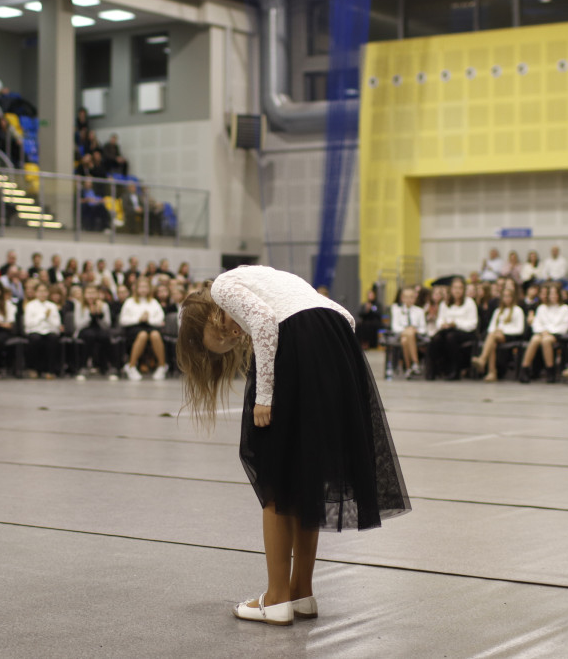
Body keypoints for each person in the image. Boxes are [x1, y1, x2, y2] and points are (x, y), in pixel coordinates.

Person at [176, 265, 410, 626]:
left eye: (223, 335)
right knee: (306, 478)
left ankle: (276, 599)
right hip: (336, 345)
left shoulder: (222, 286)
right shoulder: (273, 281)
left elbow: (267, 324)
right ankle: (301, 593)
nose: (234, 337)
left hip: (297, 349)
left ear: (207, 315)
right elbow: (344, 316)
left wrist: (265, 395)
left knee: (276, 477)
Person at [426, 277, 478, 380]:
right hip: (447, 330)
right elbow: (440, 320)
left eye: (460, 288)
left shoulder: (469, 303)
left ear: (463, 290)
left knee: (451, 337)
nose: (457, 291)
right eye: (455, 288)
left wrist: (456, 323)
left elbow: (472, 323)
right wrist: (443, 324)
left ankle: (455, 370)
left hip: (464, 332)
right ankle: (433, 370)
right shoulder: (444, 303)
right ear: (451, 289)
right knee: (436, 338)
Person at [518, 283, 568, 383]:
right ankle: (524, 369)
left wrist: (549, 331)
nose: (553, 296)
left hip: (557, 334)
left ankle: (550, 370)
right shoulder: (542, 308)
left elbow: (565, 326)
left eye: (555, 294)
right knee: (534, 339)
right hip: (542, 333)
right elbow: (537, 323)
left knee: (546, 341)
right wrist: (543, 331)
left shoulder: (565, 308)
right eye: (551, 294)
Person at [471, 285, 525, 382]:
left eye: (509, 296)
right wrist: (497, 331)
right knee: (493, 341)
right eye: (504, 296)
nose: (507, 299)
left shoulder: (517, 310)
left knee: (492, 337)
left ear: (513, 298)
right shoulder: (498, 311)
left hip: (511, 336)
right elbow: (491, 327)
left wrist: (502, 331)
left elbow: (519, 329)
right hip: (496, 336)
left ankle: (483, 360)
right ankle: (492, 372)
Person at [119, 278, 168, 380]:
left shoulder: (154, 302)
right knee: (142, 335)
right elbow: (123, 320)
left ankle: (162, 366)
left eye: (145, 287)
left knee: (155, 335)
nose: (143, 289)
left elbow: (160, 319)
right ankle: (131, 366)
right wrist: (139, 319)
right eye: (141, 287)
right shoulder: (129, 302)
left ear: (149, 289)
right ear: (136, 289)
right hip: (134, 328)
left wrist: (148, 319)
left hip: (151, 326)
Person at [74, 284, 115, 380]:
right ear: (84, 295)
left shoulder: (104, 305)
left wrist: (100, 314)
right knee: (90, 336)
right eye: (88, 293)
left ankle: (106, 366)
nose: (91, 296)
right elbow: (78, 324)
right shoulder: (80, 305)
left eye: (93, 293)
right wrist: (90, 315)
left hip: (99, 329)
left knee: (105, 337)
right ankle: (83, 366)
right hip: (84, 330)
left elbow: (107, 325)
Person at [23, 282, 61, 379]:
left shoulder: (52, 306)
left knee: (53, 339)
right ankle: (33, 369)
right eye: (40, 291)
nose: (42, 294)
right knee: (35, 340)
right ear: (35, 293)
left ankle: (50, 370)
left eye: (44, 291)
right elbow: (29, 323)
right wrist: (43, 316)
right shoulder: (30, 305)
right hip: (34, 331)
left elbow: (56, 324)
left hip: (49, 331)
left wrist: (49, 320)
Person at [390, 286, 426, 378]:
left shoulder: (419, 311)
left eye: (411, 297)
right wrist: (408, 330)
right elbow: (395, 327)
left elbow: (423, 328)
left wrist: (415, 330)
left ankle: (408, 368)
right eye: (406, 297)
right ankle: (415, 363)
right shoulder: (396, 309)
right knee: (407, 336)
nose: (409, 299)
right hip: (401, 334)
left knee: (405, 340)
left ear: (415, 298)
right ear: (402, 298)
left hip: (416, 336)